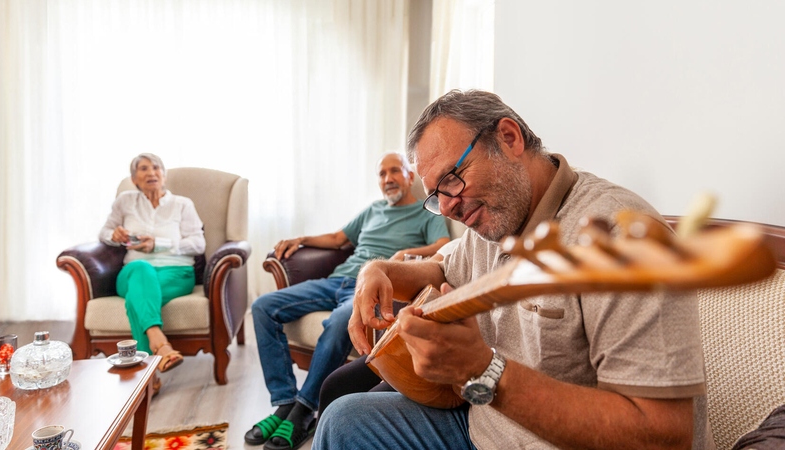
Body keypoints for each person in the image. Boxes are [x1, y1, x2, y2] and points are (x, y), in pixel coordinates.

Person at [314, 90, 713, 450]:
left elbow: (663, 434)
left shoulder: (622, 236)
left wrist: (483, 370)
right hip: (482, 426)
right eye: (436, 196)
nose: (449, 206)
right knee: (340, 420)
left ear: (509, 138)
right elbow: (440, 271)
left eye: (452, 179)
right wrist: (375, 271)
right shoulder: (493, 219)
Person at [247, 152, 451, 450]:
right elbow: (337, 238)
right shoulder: (372, 210)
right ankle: (284, 402)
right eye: (382, 174)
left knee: (340, 322)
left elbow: (444, 245)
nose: (388, 179)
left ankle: (304, 410)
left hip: (365, 290)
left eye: (395, 171)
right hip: (335, 281)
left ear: (409, 176)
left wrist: (398, 259)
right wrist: (300, 239)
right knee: (262, 306)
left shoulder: (425, 213)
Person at [316, 238, 459, 420]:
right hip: (411, 347)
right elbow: (433, 268)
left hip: (445, 359)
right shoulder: (464, 244)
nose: (447, 211)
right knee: (333, 386)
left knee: (356, 410)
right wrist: (374, 269)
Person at [99, 153, 205, 382]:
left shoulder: (182, 204)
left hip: (175, 273)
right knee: (141, 269)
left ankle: (148, 378)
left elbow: (198, 244)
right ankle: (160, 345)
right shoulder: (124, 201)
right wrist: (114, 235)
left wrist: (158, 244)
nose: (151, 173)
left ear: (164, 176)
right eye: (144, 169)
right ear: (134, 179)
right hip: (133, 272)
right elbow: (105, 233)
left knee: (135, 299)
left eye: (156, 168)